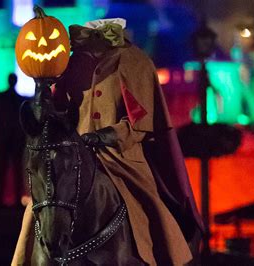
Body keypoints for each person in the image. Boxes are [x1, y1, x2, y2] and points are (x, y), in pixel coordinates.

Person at [12, 20, 203, 265]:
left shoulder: (136, 61)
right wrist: (43, 96)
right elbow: (58, 114)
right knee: (44, 201)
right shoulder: (72, 63)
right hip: (74, 153)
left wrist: (104, 136)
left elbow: (139, 123)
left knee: (150, 206)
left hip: (120, 157)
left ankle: (169, 254)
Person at [0, 73, 28, 208]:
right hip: (15, 140)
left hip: (5, 139)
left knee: (2, 170)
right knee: (15, 170)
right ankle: (14, 200)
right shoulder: (20, 100)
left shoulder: (0, 97)